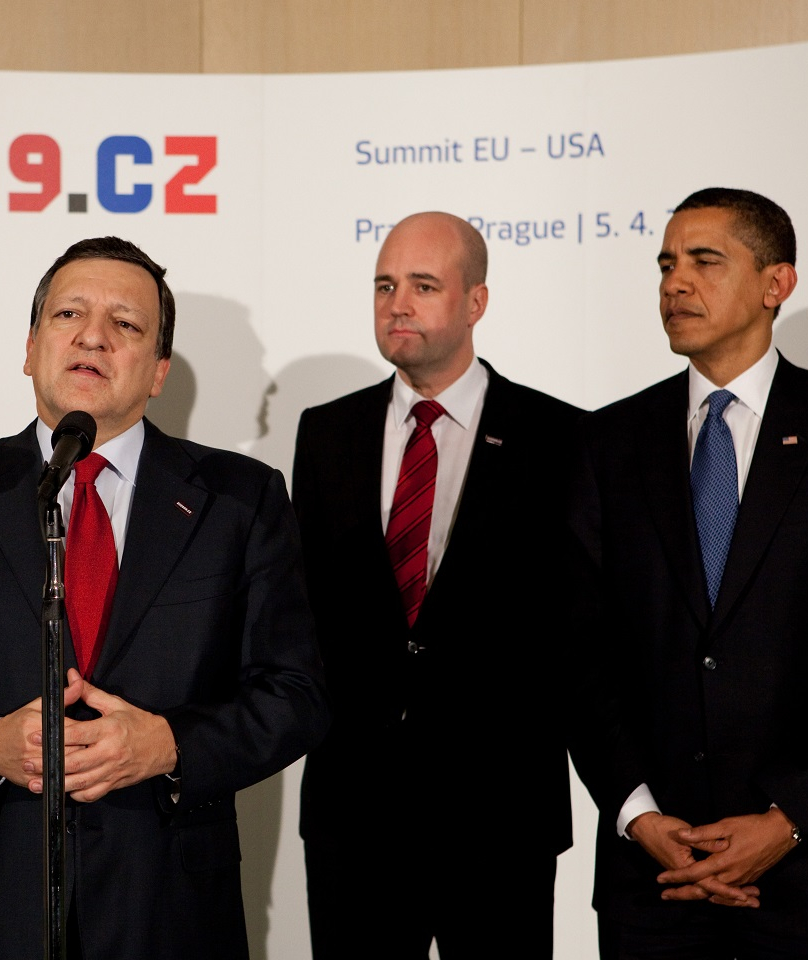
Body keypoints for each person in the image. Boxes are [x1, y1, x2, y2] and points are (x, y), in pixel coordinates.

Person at [0, 236, 328, 960]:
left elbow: (295, 696)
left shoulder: (241, 500)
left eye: (126, 324)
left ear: (159, 370)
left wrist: (168, 745)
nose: (93, 336)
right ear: (30, 346)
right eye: (69, 313)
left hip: (168, 906)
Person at [568, 187, 808, 959]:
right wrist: (637, 813)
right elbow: (579, 647)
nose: (674, 283)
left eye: (704, 261)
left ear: (777, 284)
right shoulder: (607, 442)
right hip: (653, 881)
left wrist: (784, 821)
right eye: (666, 264)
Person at [293, 211, 582, 959]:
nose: (398, 303)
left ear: (475, 303)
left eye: (423, 285)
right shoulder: (325, 434)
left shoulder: (563, 438)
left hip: (501, 814)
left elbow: (576, 626)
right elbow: (310, 612)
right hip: (353, 812)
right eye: (386, 285)